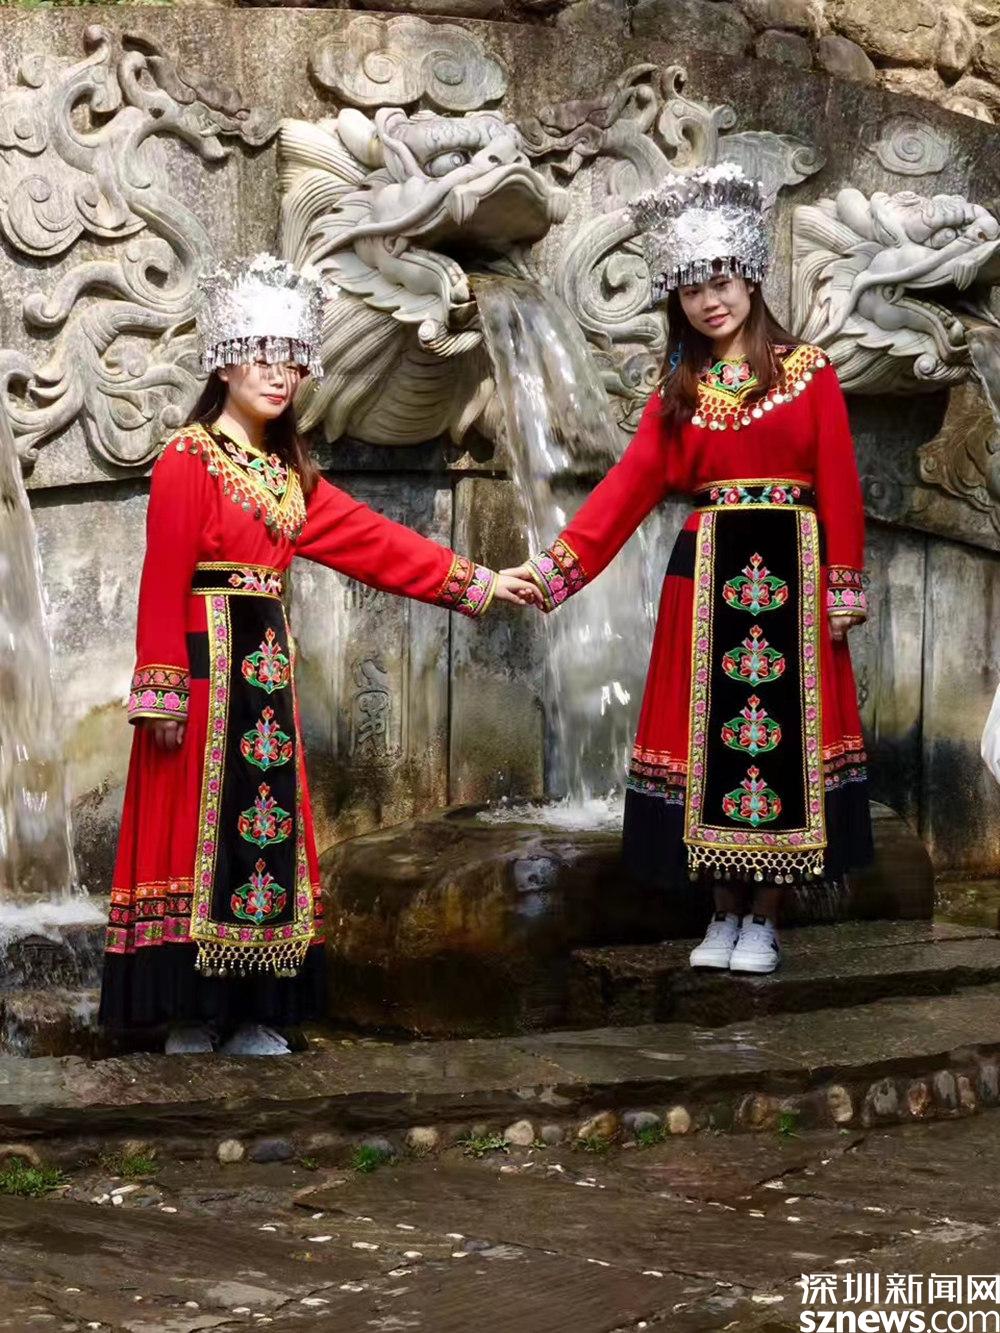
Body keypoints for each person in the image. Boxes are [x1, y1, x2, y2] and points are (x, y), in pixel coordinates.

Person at [99, 254, 541, 1054]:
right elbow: (162, 578)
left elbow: (378, 544)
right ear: (225, 361)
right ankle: (191, 1011)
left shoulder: (288, 476)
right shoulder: (188, 458)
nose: (279, 375)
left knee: (260, 829)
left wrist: (479, 581)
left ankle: (250, 1009)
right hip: (206, 673)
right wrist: (163, 690)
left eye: (292, 360)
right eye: (262, 356)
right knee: (196, 833)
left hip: (264, 678)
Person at [505, 164, 873, 976]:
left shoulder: (809, 371)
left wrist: (844, 583)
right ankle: (721, 910)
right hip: (705, 579)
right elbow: (627, 489)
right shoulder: (678, 391)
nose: (711, 301)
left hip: (791, 575)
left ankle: (765, 919)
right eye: (693, 289)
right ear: (677, 299)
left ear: (750, 278)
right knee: (709, 748)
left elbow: (840, 484)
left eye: (722, 282)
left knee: (779, 747)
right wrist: (555, 572)